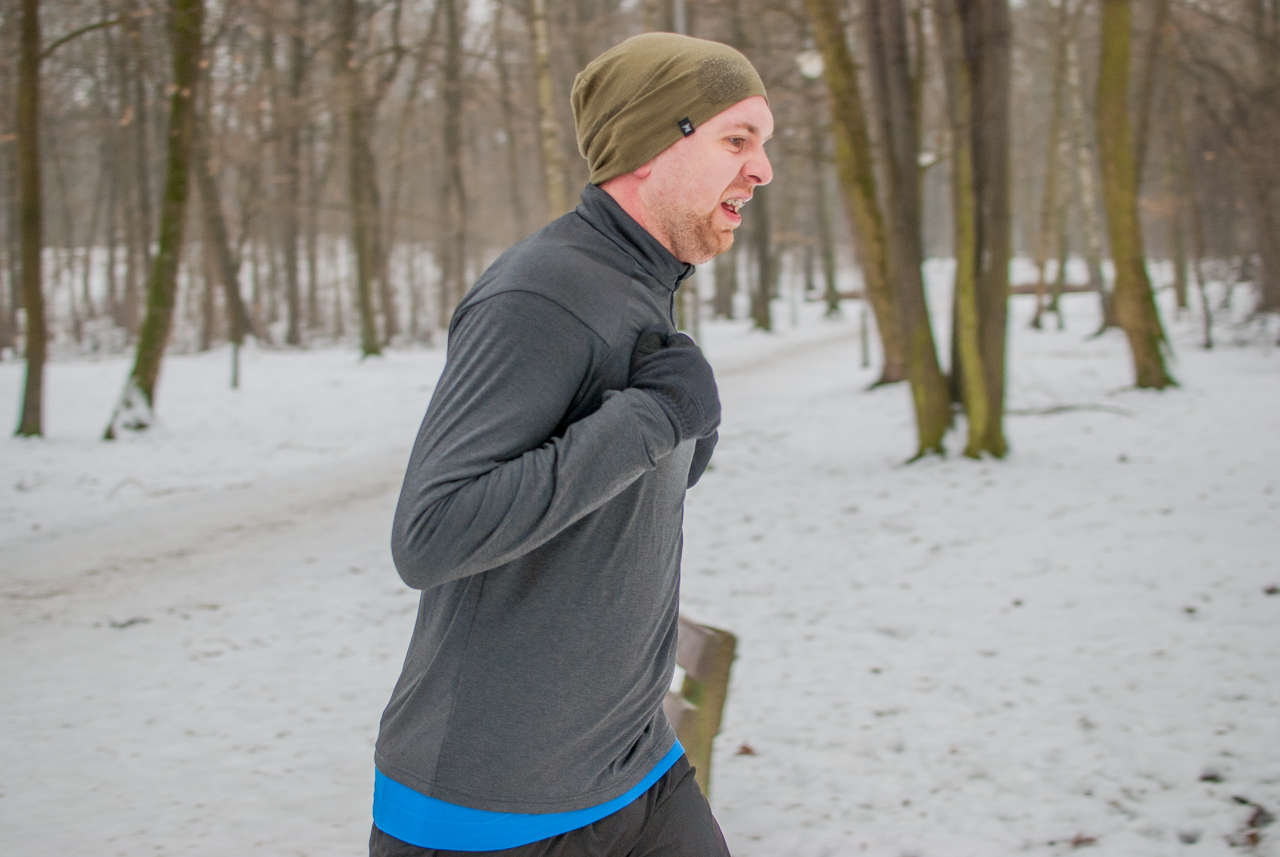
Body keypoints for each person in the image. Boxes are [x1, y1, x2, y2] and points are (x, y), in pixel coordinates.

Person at [370, 32, 773, 857]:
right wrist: (655, 418)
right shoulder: (542, 291)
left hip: (633, 764)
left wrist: (690, 431)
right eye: (739, 139)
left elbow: (616, 487)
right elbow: (431, 533)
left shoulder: (638, 286)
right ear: (655, 144)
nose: (763, 169)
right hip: (493, 810)